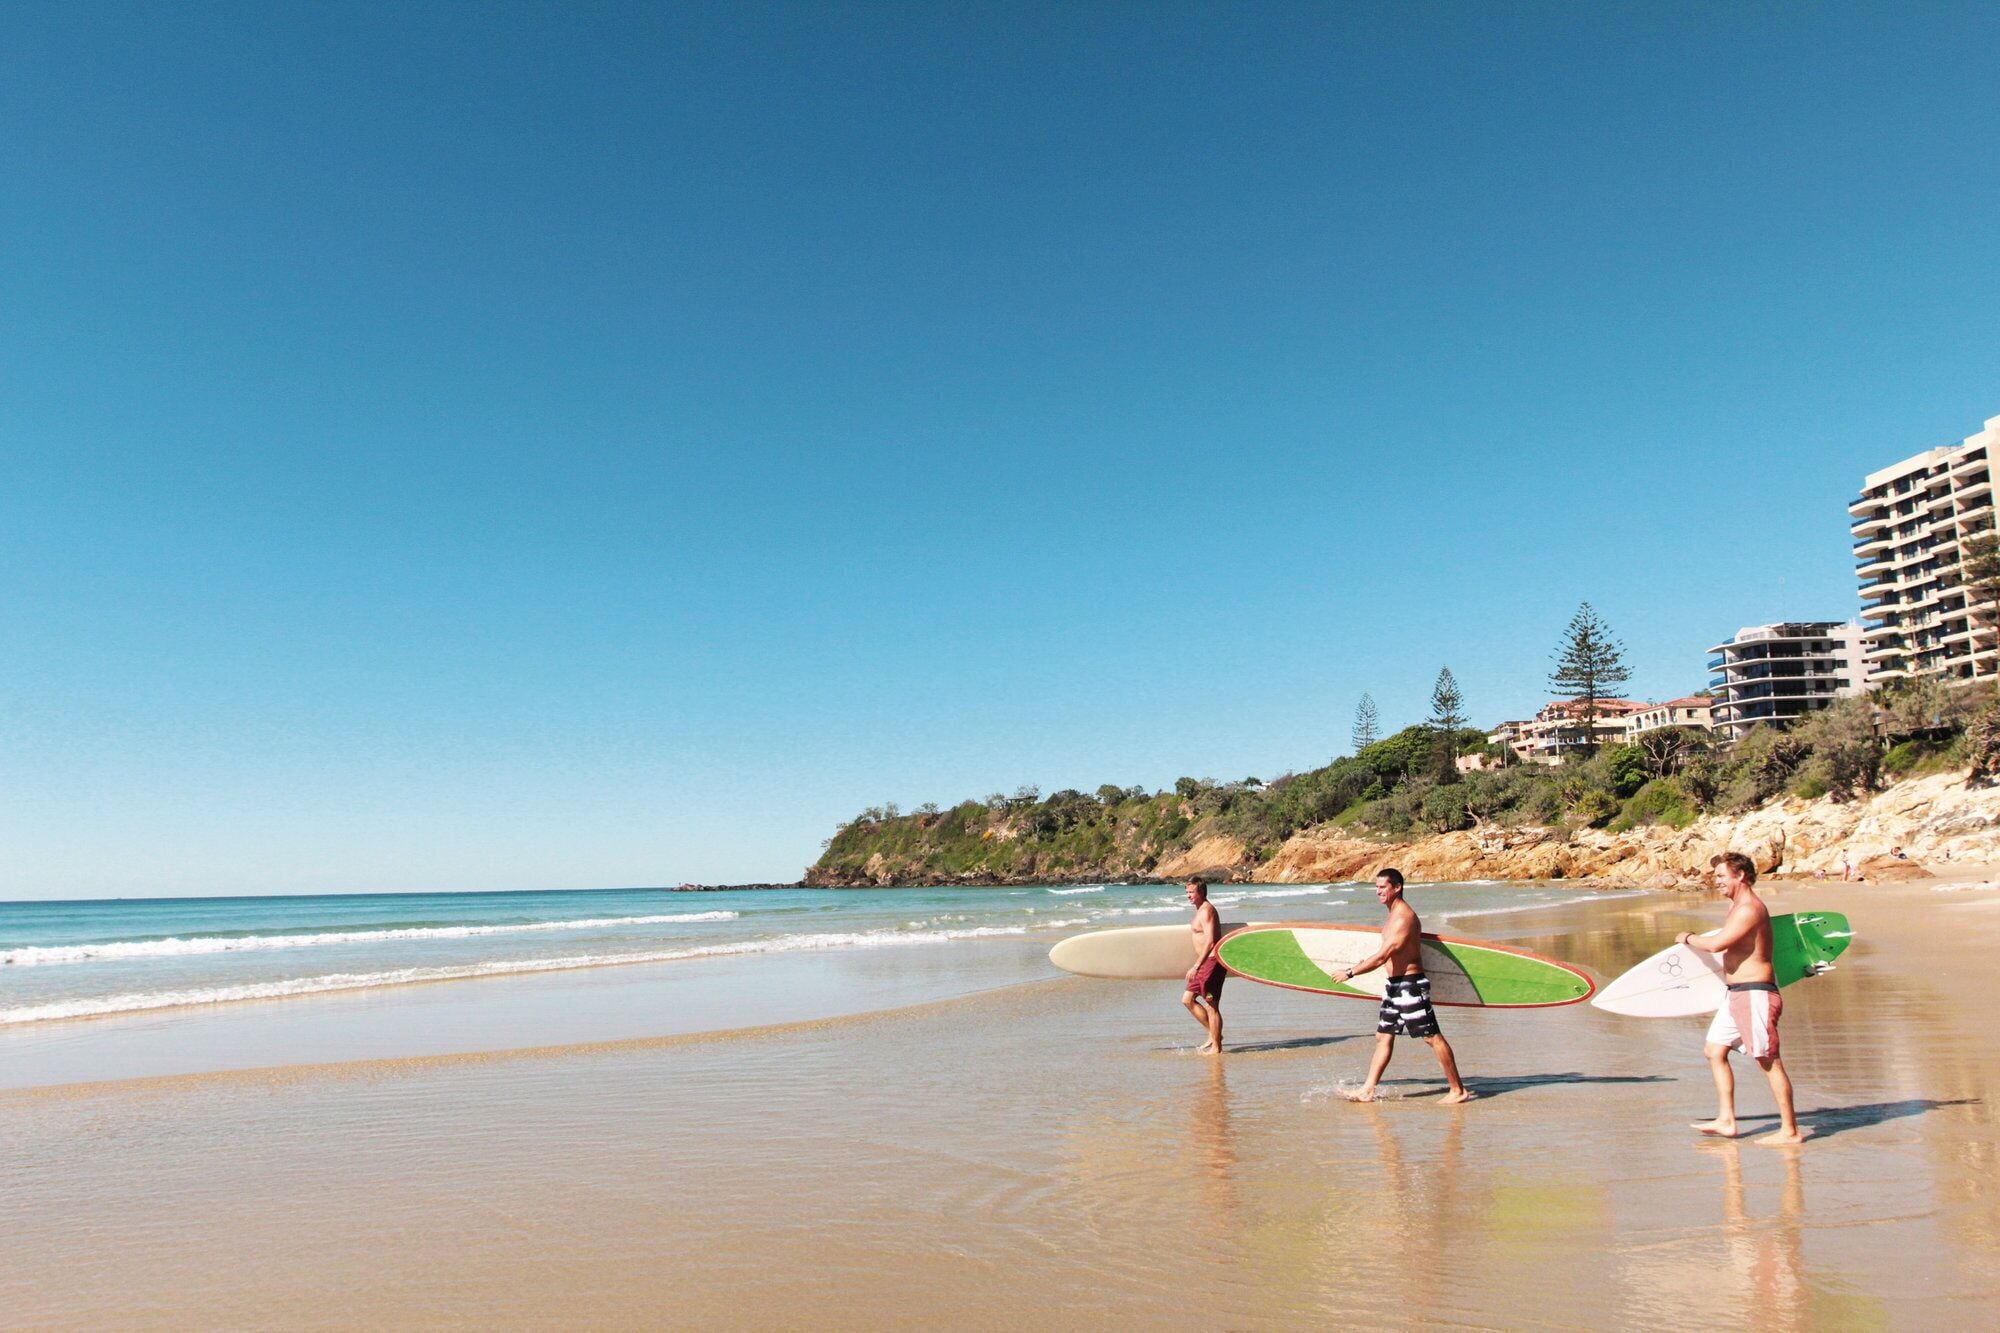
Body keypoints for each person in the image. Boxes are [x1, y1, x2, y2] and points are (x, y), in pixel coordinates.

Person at [1680, 851, 1804, 1144]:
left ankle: (1790, 1131)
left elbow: (1717, 944)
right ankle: (1726, 1120)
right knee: (1714, 1050)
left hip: (1755, 995)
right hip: (1736, 995)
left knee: (1768, 1060)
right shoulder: (1737, 907)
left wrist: (1687, 938)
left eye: (1722, 876)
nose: (1717, 882)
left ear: (1741, 875)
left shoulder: (1749, 908)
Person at [1336, 868, 1471, 1103]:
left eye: (1382, 887)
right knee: (1384, 1036)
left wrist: (1351, 972)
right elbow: (1387, 956)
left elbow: (1382, 955)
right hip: (1394, 986)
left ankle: (1458, 1090)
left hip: (1410, 985)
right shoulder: (1392, 913)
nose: (1377, 892)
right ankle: (1368, 1089)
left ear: (1397, 887)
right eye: (1376, 887)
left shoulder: (1404, 917)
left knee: (1431, 1037)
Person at [1181, 877, 1225, 1054]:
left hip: (1211, 962)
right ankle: (1213, 1035)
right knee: (1187, 999)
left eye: (1191, 892)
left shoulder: (1207, 910)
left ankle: (1216, 1047)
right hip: (1203, 962)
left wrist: (1196, 966)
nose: (1188, 896)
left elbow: (1211, 941)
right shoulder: (1199, 910)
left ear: (1201, 892)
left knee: (1211, 1005)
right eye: (1187, 892)